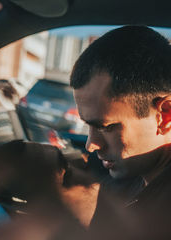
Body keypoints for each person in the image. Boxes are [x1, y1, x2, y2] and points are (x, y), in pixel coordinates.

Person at [69, 25, 171, 226]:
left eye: (106, 127)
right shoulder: (130, 174)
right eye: (89, 126)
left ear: (165, 115)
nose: (92, 144)